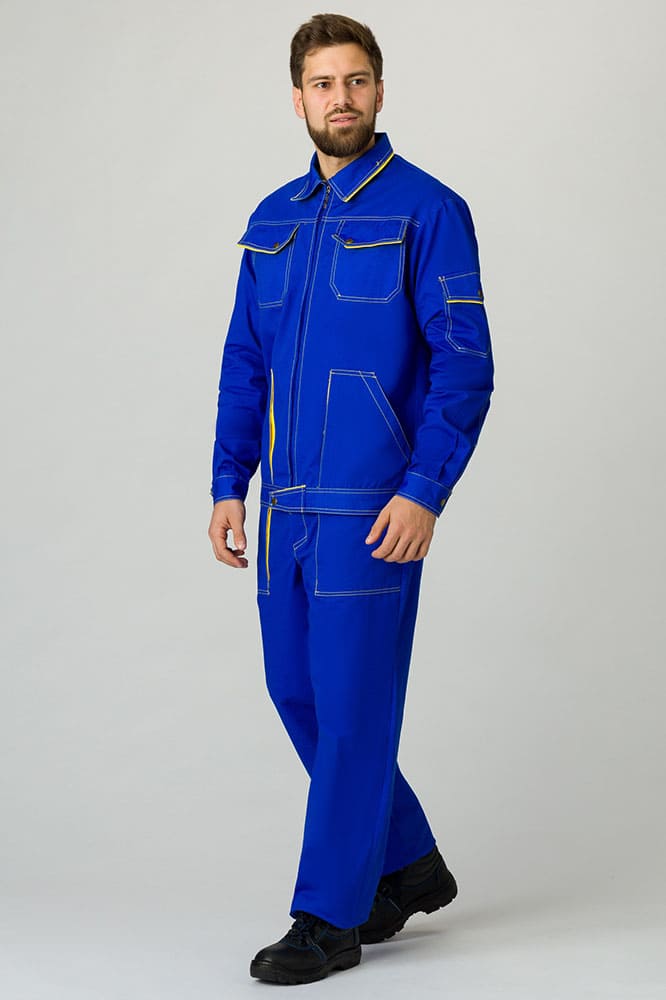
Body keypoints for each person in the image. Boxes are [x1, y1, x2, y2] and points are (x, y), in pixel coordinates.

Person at [208, 12, 494, 986]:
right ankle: (408, 862)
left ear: (379, 90)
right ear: (298, 98)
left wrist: (425, 492)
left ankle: (328, 915)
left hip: (373, 511)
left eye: (357, 80)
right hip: (287, 509)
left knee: (353, 708)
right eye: (324, 83)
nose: (342, 98)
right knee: (297, 691)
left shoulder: (429, 210)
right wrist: (228, 481)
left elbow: (465, 366)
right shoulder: (273, 221)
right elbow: (243, 361)